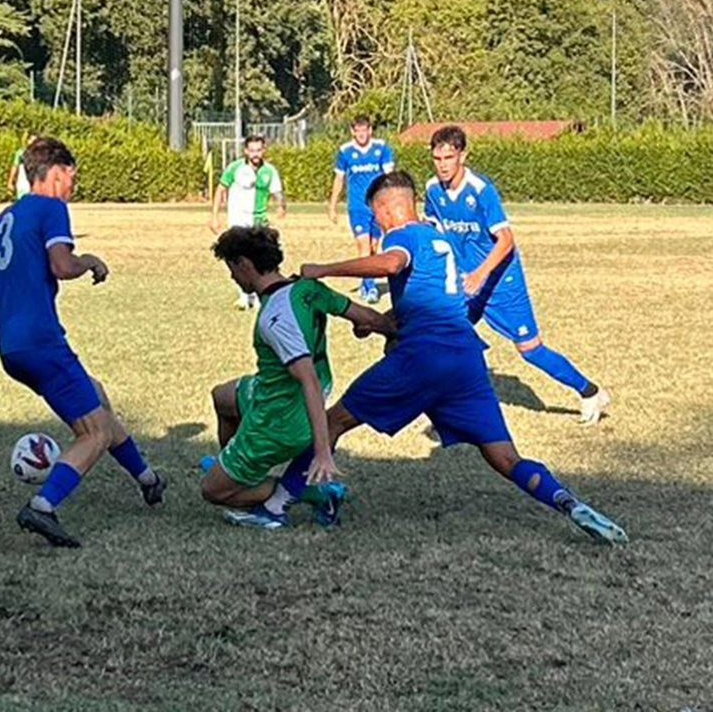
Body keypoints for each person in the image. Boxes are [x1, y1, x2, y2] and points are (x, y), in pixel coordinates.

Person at [297, 170, 628, 544]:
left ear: (388, 208)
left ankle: (282, 499)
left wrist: (323, 269)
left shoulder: (401, 235)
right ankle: (567, 502)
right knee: (506, 458)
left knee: (331, 421)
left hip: (422, 359)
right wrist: (380, 322)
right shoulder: (439, 239)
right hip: (466, 361)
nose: (376, 222)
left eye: (376, 213)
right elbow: (431, 302)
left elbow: (390, 264)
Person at [0, 136, 166, 549]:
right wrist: (91, 261)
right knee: (93, 433)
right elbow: (62, 267)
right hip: (42, 341)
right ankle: (42, 506)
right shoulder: (52, 208)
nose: (73, 186)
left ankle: (148, 479)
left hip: (11, 349)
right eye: (72, 177)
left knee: (96, 397)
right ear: (56, 172)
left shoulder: (0, 220)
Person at [199, 225, 395, 529]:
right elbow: (367, 317)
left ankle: (312, 493)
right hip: (271, 389)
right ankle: (236, 470)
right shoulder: (306, 288)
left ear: (244, 264)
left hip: (279, 418)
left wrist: (321, 451)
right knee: (222, 397)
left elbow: (308, 381)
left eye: (231, 268)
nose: (232, 278)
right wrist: (391, 331)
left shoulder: (275, 318)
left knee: (211, 491)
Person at [424, 126, 609, 424]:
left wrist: (480, 274)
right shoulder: (433, 189)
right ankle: (447, 398)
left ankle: (589, 391)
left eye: (449, 157)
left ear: (463, 155)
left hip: (501, 281)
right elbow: (434, 230)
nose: (443, 164)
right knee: (442, 331)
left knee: (530, 349)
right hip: (467, 282)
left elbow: (506, 240)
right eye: (437, 158)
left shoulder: (481, 191)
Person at [209, 134, 287, 311]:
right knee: (238, 258)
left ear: (264, 150)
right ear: (245, 151)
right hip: (237, 220)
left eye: (258, 150)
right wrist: (214, 215)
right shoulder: (235, 168)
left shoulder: (269, 171)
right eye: (251, 150)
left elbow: (277, 192)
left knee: (260, 258)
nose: (255, 154)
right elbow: (221, 189)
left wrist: (281, 207)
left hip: (259, 221)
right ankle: (244, 296)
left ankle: (261, 295)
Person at [327, 116, 395, 304]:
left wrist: (391, 202)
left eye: (364, 129)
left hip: (378, 205)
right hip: (357, 206)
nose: (362, 134)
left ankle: (367, 280)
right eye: (358, 130)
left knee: (374, 247)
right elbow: (339, 179)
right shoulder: (345, 151)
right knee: (364, 246)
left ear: (370, 130)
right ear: (352, 131)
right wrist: (332, 205)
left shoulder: (381, 148)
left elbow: (390, 178)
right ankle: (371, 288)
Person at [6, 134, 39, 200]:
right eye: (31, 140)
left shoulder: (41, 155)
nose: (33, 143)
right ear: (27, 141)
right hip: (23, 184)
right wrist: (10, 182)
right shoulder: (20, 153)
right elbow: (15, 167)